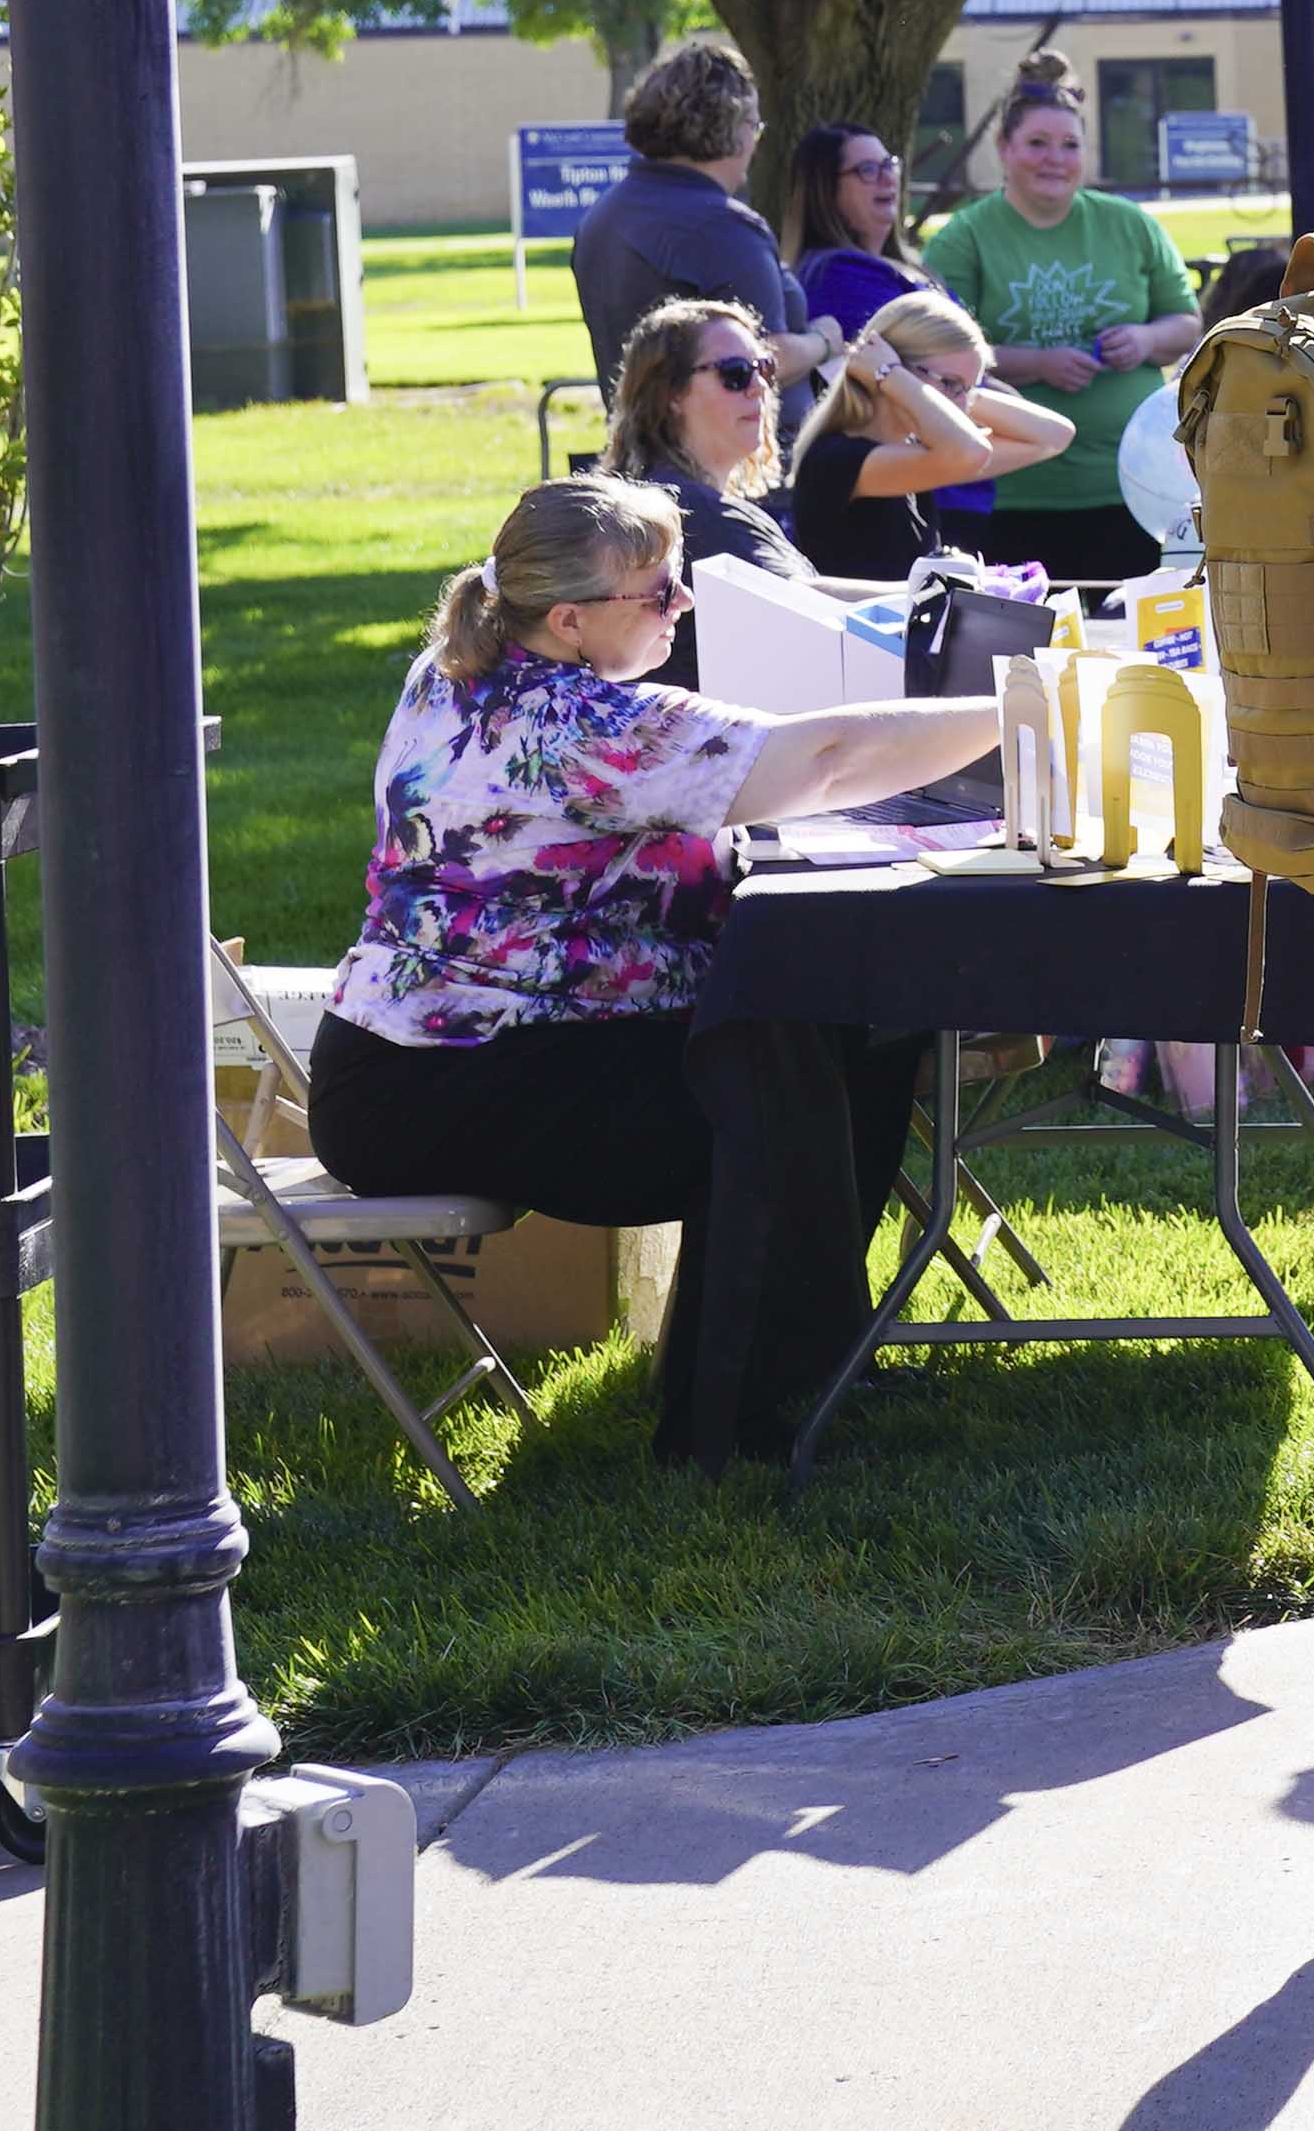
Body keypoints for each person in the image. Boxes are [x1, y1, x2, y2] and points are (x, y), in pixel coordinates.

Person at [304, 476, 1001, 1468]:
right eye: (659, 593)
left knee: (839, 1034)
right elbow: (835, 757)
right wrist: (1026, 707)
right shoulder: (577, 726)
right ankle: (731, 1428)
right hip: (434, 1089)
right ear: (571, 617)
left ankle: (802, 1369)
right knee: (769, 1083)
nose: (682, 605)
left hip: (419, 1062)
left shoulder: (463, 664)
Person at [921, 58, 1203, 580]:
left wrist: (1143, 340)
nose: (1055, 159)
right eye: (1037, 144)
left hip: (1133, 488)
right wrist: (1034, 363)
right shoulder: (966, 237)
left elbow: (1187, 324)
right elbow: (930, 358)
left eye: (1070, 145)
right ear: (1004, 149)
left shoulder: (1129, 225)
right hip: (1009, 493)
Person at [599, 296, 817, 684]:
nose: (758, 389)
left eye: (764, 369)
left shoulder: (644, 497)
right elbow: (816, 605)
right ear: (672, 395)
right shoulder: (700, 516)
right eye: (735, 374)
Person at [782, 294, 1073, 581]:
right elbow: (971, 453)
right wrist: (890, 374)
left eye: (966, 390)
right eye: (949, 382)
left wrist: (959, 392)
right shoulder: (837, 458)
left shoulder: (912, 450)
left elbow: (1053, 436)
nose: (959, 406)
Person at [570, 38, 807, 375]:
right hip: (737, 427)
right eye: (753, 126)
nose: (755, 142)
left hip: (637, 424)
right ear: (729, 128)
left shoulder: (602, 214)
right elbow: (766, 360)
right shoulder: (723, 226)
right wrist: (824, 340)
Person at [782, 122, 926, 337]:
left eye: (889, 164)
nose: (888, 178)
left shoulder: (909, 264)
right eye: (868, 170)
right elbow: (937, 348)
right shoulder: (838, 275)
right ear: (826, 191)